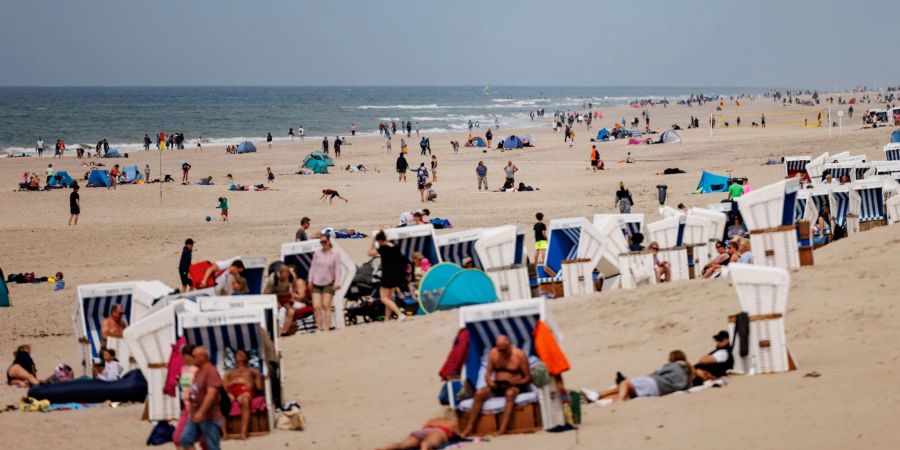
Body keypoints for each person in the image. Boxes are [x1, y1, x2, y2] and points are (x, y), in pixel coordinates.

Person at [459, 335, 531, 437]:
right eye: (500, 350)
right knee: (479, 393)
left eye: (504, 350)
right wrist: (490, 383)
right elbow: (488, 373)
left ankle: (502, 429)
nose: (502, 352)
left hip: (514, 385)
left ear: (509, 344)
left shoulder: (519, 355)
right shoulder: (493, 353)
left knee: (510, 394)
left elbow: (528, 378)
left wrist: (515, 382)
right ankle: (469, 428)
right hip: (497, 386)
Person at [599, 350, 692, 403]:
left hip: (656, 383)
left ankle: (614, 399)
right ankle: (600, 398)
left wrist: (648, 376)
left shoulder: (674, 366)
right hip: (660, 391)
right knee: (629, 394)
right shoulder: (688, 376)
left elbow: (657, 373)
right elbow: (688, 387)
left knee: (625, 383)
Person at [178, 346, 223, 450]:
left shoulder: (211, 372)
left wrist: (201, 412)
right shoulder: (199, 371)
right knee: (185, 440)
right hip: (195, 415)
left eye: (194, 356)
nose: (192, 358)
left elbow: (211, 394)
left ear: (203, 357)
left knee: (212, 446)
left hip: (209, 417)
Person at [223, 349, 263, 440]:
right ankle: (224, 433)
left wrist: (255, 384)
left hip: (245, 390)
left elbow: (259, 387)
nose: (239, 355)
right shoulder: (229, 372)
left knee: (245, 401)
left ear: (247, 357)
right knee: (222, 402)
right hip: (231, 391)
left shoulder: (253, 371)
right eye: (237, 354)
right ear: (234, 358)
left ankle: (243, 433)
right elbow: (224, 386)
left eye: (242, 353)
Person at [368, 231, 407, 322]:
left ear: (380, 240)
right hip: (395, 276)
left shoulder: (383, 248)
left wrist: (373, 242)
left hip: (387, 276)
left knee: (383, 298)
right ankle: (387, 318)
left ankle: (400, 314)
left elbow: (370, 253)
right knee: (389, 299)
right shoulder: (395, 247)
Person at [309, 235, 343, 331]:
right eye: (321, 242)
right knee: (316, 306)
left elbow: (338, 269)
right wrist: (310, 280)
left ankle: (327, 328)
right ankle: (319, 328)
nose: (323, 244)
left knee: (326, 305)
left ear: (328, 241)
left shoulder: (335, 254)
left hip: (328, 282)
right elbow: (313, 267)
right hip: (316, 282)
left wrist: (337, 282)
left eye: (324, 241)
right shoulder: (317, 253)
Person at [264, 264, 306, 336]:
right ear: (279, 273)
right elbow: (265, 293)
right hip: (274, 296)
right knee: (279, 312)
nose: (284, 278)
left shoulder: (292, 276)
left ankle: (284, 331)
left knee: (291, 311)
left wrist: (292, 293)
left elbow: (294, 286)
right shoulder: (272, 279)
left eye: (286, 277)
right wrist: (275, 301)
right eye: (283, 277)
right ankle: (276, 331)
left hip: (285, 296)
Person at [172, 344, 199, 448]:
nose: (182, 357)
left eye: (184, 355)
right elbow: (185, 386)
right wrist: (179, 382)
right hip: (186, 407)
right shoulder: (183, 368)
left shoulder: (198, 369)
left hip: (195, 407)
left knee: (182, 439)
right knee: (178, 439)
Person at [376, 417, 459, 450]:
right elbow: (460, 434)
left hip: (423, 431)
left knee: (402, 444)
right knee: (425, 444)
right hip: (438, 431)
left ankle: (383, 448)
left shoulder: (433, 420)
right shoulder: (452, 422)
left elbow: (424, 427)